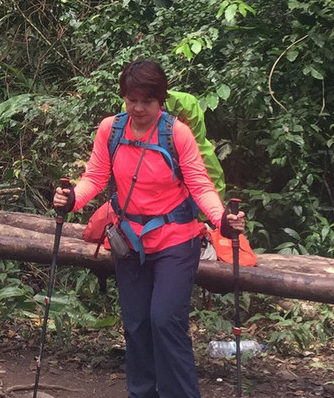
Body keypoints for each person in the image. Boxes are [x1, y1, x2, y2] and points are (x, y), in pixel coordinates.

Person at [53, 59, 246, 398]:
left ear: (161, 100)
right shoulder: (111, 130)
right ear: (124, 98)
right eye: (132, 100)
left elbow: (200, 186)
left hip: (176, 242)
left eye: (147, 101)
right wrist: (71, 202)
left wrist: (222, 222)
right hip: (129, 242)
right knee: (137, 325)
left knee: (165, 322)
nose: (138, 108)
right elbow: (95, 177)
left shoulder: (176, 133)